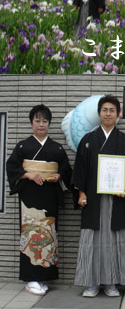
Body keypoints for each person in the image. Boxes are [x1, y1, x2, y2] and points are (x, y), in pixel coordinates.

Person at [73, 95, 125, 298]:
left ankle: (112, 282)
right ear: (99, 113)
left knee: (115, 239)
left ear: (118, 114)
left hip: (117, 199)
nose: (108, 114)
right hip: (93, 199)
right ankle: (92, 283)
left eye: (112, 110)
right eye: (105, 110)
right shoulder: (88, 141)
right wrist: (81, 192)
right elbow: (80, 169)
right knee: (92, 240)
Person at [6, 105, 72, 296]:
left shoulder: (57, 148)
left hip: (49, 195)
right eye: (37, 121)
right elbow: (12, 168)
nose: (41, 124)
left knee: (49, 233)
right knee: (30, 233)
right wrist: (27, 174)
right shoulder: (22, 146)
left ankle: (43, 277)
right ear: (31, 123)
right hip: (29, 197)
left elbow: (66, 170)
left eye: (44, 121)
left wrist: (58, 176)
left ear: (49, 124)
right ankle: (30, 279)